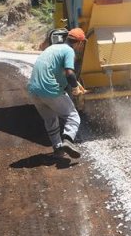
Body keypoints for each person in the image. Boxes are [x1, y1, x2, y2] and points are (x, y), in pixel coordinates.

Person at [28, 27, 87, 159]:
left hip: (33, 90)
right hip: (49, 89)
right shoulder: (69, 51)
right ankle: (68, 140)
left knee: (50, 119)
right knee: (73, 116)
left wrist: (75, 83)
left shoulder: (52, 48)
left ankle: (58, 148)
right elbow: (70, 73)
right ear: (79, 43)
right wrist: (75, 88)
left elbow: (54, 70)